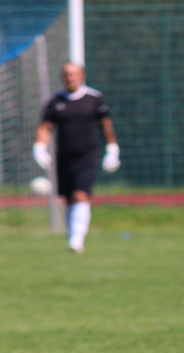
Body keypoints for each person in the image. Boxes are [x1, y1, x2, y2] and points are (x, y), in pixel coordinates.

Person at [33, 62, 120, 254]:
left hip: (87, 155)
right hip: (63, 157)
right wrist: (39, 147)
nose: (70, 78)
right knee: (69, 198)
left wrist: (113, 149)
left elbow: (105, 125)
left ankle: (76, 240)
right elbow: (45, 127)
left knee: (81, 194)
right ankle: (72, 235)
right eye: (66, 74)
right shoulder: (54, 101)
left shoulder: (94, 98)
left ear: (82, 76)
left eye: (74, 74)